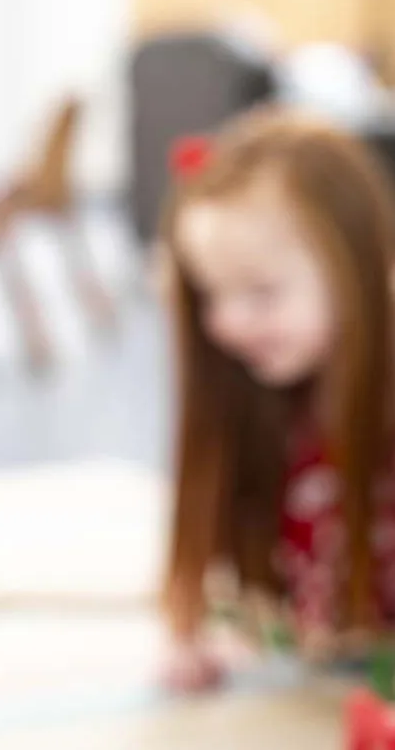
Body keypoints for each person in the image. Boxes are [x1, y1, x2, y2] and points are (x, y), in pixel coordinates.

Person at [159, 107, 395, 691]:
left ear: (359, 266)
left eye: (262, 293)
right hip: (333, 661)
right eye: (211, 294)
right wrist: (187, 635)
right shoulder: (269, 397)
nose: (230, 323)